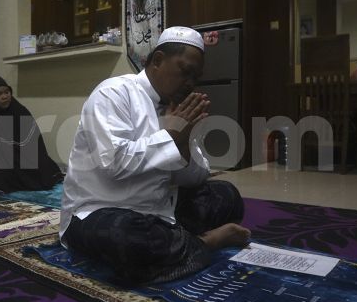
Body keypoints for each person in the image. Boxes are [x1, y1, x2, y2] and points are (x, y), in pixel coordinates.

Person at [60, 26, 250, 285]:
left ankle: (176, 240)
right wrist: (171, 134)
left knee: (228, 195)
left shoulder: (178, 107)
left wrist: (184, 140)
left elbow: (196, 178)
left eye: (197, 77)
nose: (190, 83)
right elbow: (115, 163)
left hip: (161, 208)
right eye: (185, 72)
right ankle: (205, 241)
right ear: (158, 60)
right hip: (102, 210)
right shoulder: (113, 93)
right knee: (126, 237)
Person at [0, 75, 64, 194]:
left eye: (7, 92)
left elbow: (34, 141)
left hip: (20, 156)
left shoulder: (19, 110)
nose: (4, 97)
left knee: (43, 166)